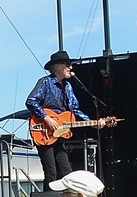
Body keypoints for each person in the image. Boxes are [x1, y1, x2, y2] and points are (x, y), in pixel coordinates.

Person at [26, 51, 96, 185]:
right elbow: (31, 101)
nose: (71, 67)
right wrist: (47, 118)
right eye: (67, 64)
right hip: (44, 132)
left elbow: (74, 109)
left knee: (67, 172)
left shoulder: (68, 87)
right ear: (57, 67)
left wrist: (91, 122)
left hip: (59, 134)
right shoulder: (45, 82)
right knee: (51, 171)